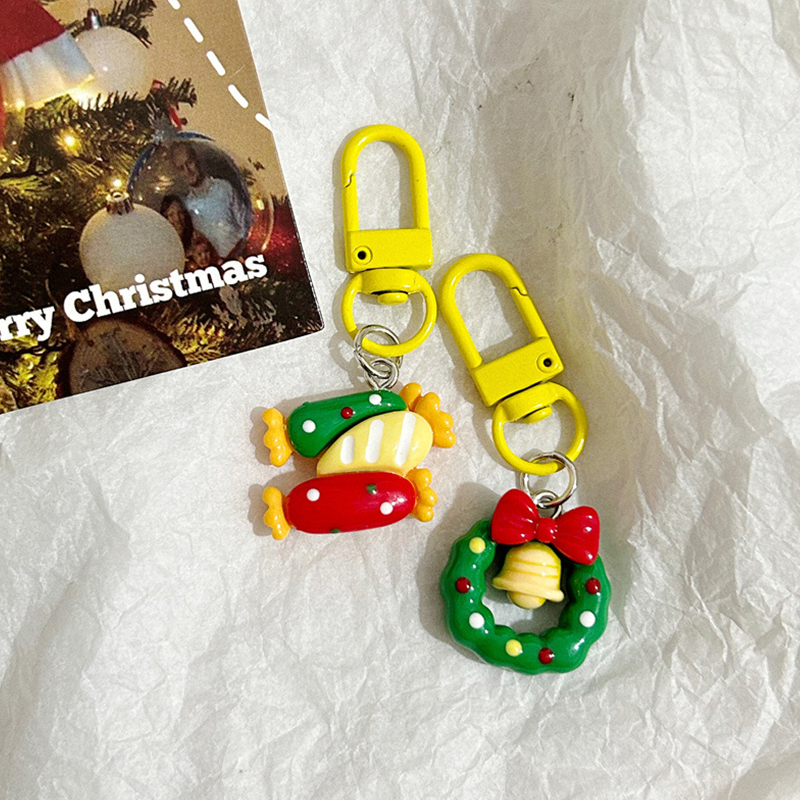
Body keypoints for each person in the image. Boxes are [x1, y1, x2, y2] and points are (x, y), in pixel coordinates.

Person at [169, 141, 250, 258]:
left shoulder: (224, 188)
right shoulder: (186, 207)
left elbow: (246, 225)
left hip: (242, 258)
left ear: (197, 160)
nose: (187, 171)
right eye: (181, 168)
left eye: (189, 163)